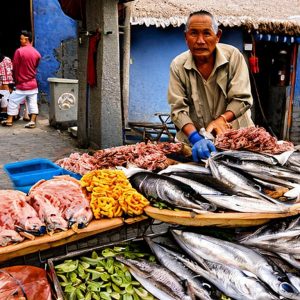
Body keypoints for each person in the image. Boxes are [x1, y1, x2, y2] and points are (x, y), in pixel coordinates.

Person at [168, 10, 254, 162]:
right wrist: (195, 138)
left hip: (237, 141)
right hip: (194, 144)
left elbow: (242, 98)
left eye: (207, 33)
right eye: (193, 33)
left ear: (218, 36)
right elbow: (178, 109)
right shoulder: (178, 65)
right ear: (185, 37)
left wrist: (221, 120)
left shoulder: (233, 57)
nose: (200, 40)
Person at [2, 30, 41, 128]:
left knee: (12, 101)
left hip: (22, 85)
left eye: (21, 38)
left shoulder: (19, 51)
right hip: (32, 84)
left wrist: (16, 80)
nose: (20, 40)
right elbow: (35, 66)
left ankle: (9, 120)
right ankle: (32, 121)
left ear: (26, 39)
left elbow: (15, 68)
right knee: (32, 102)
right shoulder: (37, 53)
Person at [0, 50, 14, 119]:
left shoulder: (6, 60)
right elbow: (12, 69)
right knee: (7, 96)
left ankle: (4, 113)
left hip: (4, 81)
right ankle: (6, 113)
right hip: (9, 81)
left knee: (4, 95)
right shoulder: (8, 59)